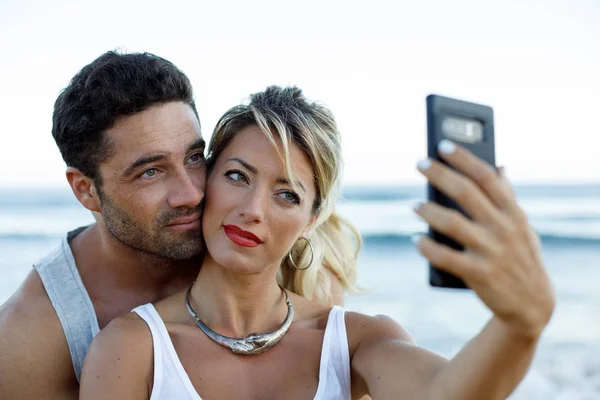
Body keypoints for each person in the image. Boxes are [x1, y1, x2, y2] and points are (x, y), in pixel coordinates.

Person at [80, 85, 555, 399]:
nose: (254, 209)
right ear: (207, 180)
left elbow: (445, 393)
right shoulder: (133, 347)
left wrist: (521, 324)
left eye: (287, 194)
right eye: (237, 176)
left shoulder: (354, 343)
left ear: (311, 219)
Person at [0, 52, 355, 400]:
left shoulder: (285, 259)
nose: (190, 193)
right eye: (150, 172)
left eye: (194, 158)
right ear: (86, 190)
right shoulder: (29, 341)